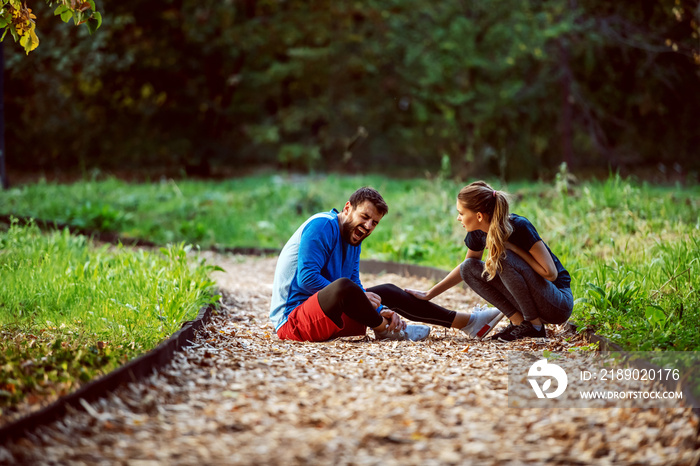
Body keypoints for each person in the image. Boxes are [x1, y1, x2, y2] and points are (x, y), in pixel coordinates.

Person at [403, 181, 573, 342]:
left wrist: (514, 249)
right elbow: (466, 268)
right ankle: (519, 322)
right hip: (533, 300)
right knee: (469, 267)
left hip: (556, 302)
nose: (458, 218)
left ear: (478, 216)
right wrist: (429, 294)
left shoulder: (519, 226)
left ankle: (534, 326)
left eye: (461, 213)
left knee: (502, 256)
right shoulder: (477, 233)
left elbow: (550, 273)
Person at [269, 187, 431, 342]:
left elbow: (355, 284)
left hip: (324, 315)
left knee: (386, 292)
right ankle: (385, 329)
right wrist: (361, 298)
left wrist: (380, 309)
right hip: (293, 321)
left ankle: (455, 321)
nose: (368, 226)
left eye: (374, 223)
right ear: (347, 208)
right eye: (365, 217)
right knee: (345, 287)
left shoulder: (353, 236)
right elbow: (307, 278)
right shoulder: (322, 225)